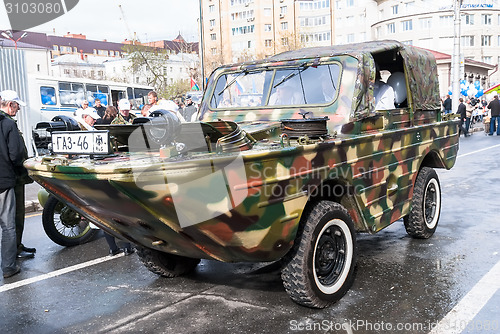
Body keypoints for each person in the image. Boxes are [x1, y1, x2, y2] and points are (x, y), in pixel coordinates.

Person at [1, 90, 36, 260]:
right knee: (13, 218)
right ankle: (13, 251)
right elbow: (15, 154)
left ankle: (16, 246)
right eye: (17, 106)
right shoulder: (7, 123)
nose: (18, 109)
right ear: (10, 104)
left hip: (7, 176)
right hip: (12, 177)